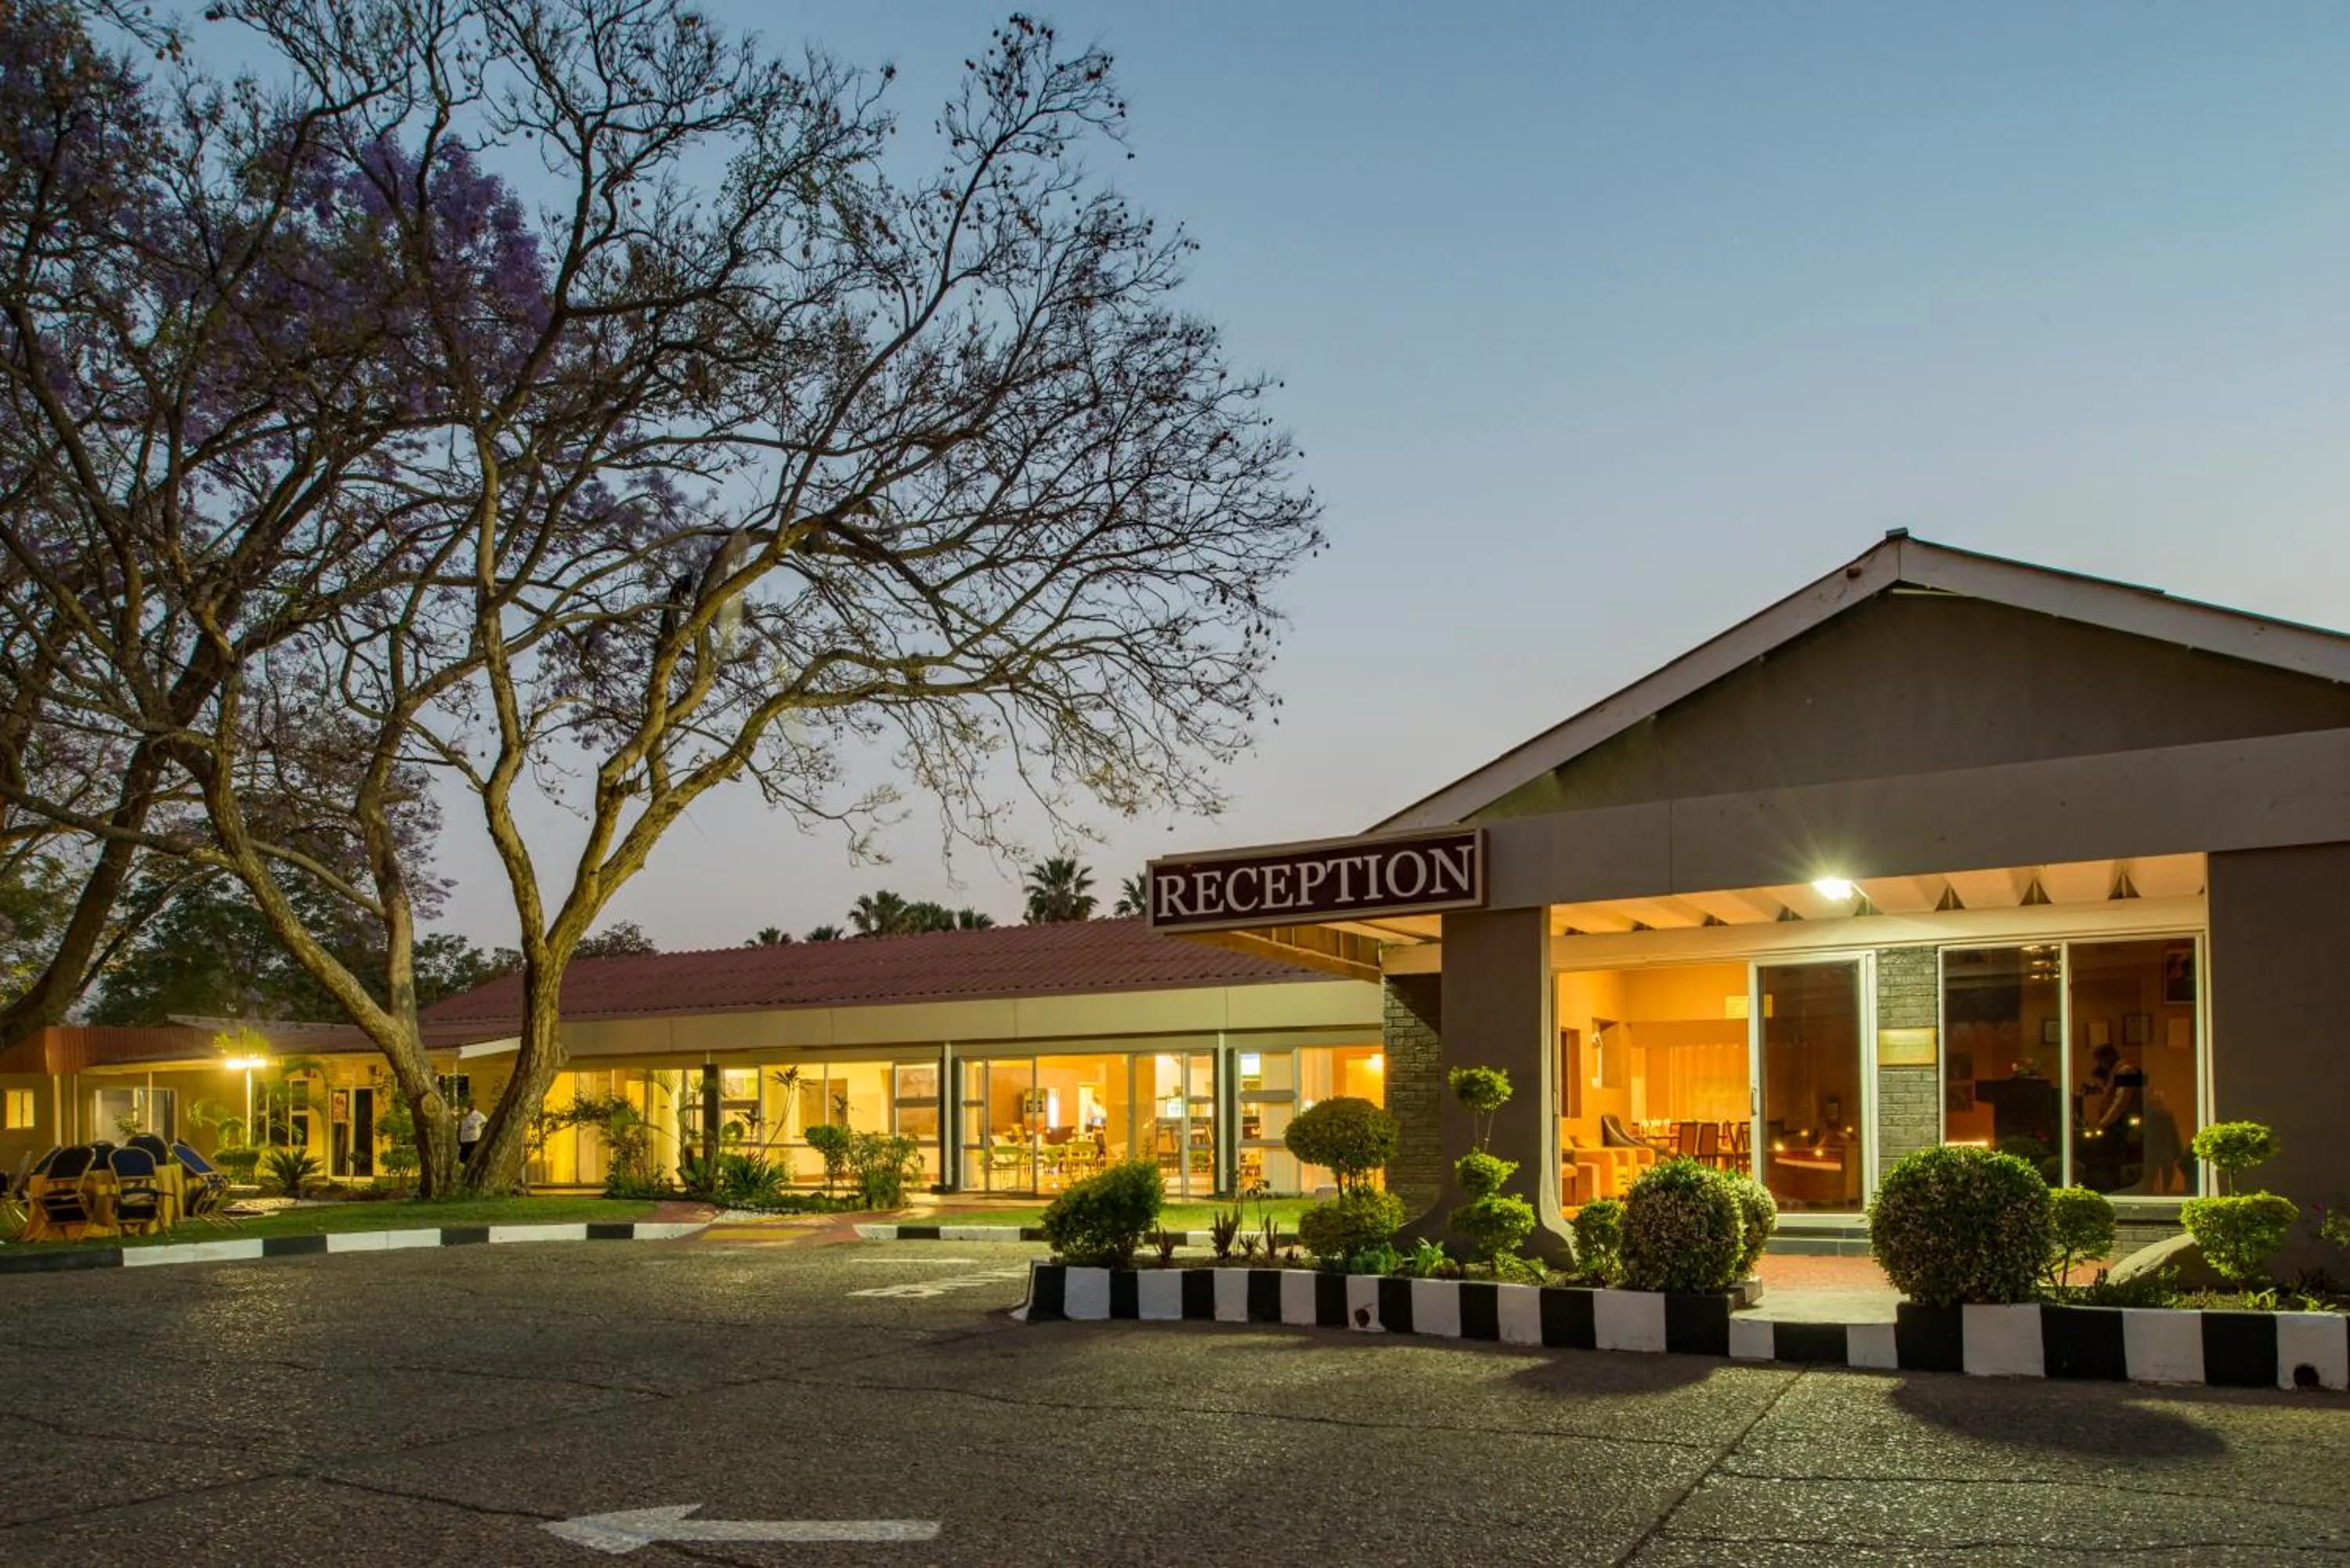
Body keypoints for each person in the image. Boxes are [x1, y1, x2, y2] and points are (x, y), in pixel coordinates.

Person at [457, 1104, 487, 1168]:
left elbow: (485, 1122)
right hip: (465, 1139)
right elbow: (460, 1127)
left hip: (473, 1139)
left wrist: (481, 1129)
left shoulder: (478, 1115)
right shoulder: (464, 1116)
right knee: (464, 1159)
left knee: (470, 1157)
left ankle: (470, 1168)